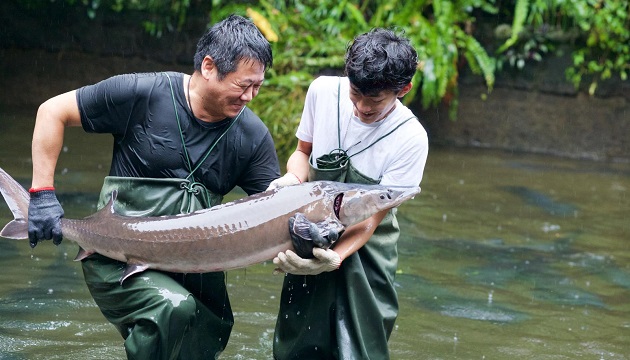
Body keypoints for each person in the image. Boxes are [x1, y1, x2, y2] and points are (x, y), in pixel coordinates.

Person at [26, 14, 280, 359]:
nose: (250, 96)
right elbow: (52, 111)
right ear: (208, 67)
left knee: (206, 333)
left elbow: (276, 207)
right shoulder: (141, 93)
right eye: (242, 85)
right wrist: (42, 194)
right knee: (171, 309)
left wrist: (303, 229)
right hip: (116, 255)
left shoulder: (252, 137)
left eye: (258, 86)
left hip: (197, 266)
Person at [268, 28, 429, 359]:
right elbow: (303, 151)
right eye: (356, 94)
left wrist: (337, 258)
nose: (361, 108)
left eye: (375, 101)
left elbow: (372, 218)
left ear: (404, 90)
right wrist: (292, 178)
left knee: (360, 349)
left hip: (368, 255)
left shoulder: (411, 138)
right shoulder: (323, 92)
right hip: (310, 240)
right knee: (296, 347)